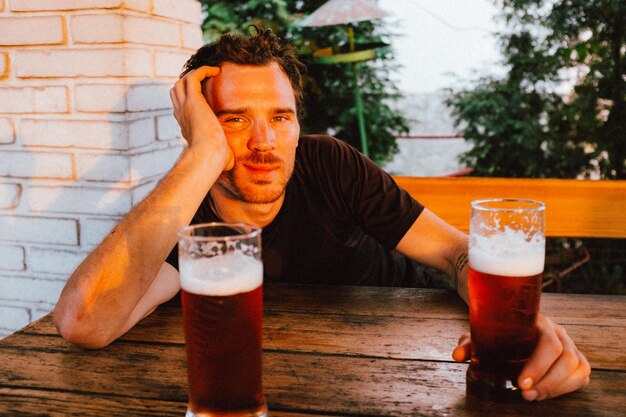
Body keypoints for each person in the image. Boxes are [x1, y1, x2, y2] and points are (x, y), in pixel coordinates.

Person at [53, 27, 590, 402]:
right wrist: (200, 158)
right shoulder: (182, 215)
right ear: (200, 127)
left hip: (404, 358)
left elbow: (453, 254)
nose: (266, 142)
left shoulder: (329, 164)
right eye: (234, 119)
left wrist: (515, 325)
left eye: (280, 117)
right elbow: (85, 323)